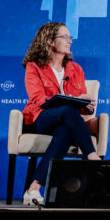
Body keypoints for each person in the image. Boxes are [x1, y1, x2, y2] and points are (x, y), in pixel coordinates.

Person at [21, 22, 101, 206]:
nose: (70, 41)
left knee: (64, 131)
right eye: (65, 37)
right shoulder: (34, 67)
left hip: (66, 120)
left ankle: (33, 188)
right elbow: (37, 99)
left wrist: (86, 106)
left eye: (70, 37)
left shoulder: (76, 69)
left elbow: (79, 107)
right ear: (50, 41)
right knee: (67, 109)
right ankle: (92, 156)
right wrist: (71, 99)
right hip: (40, 118)